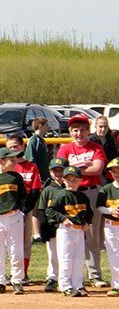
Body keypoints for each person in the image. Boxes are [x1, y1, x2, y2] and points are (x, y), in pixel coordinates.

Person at [56, 114, 108, 288]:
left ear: (88, 131)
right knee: (71, 232)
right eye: (75, 130)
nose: (79, 133)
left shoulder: (95, 147)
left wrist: (74, 171)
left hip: (91, 192)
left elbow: (97, 168)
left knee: (92, 234)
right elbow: (61, 170)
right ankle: (71, 276)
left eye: (83, 130)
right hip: (71, 194)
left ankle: (95, 275)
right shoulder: (65, 148)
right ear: (71, 132)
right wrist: (83, 167)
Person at [0, 148, 30, 294]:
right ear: (1, 161)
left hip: (14, 216)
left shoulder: (16, 177)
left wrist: (20, 210)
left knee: (16, 250)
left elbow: (23, 196)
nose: (15, 162)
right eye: (11, 160)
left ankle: (17, 280)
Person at [46, 166, 92, 297]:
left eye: (74, 179)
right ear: (64, 181)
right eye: (68, 179)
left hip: (79, 231)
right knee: (66, 257)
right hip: (65, 230)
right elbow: (50, 210)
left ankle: (78, 284)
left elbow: (89, 212)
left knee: (78, 258)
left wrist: (87, 222)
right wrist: (63, 218)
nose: (71, 182)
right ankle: (65, 285)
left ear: (80, 180)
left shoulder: (82, 196)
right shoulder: (61, 194)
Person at [5, 133, 42, 278]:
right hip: (9, 209)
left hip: (25, 209)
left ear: (23, 146)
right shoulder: (7, 167)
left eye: (16, 146)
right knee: (9, 243)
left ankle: (23, 273)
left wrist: (25, 210)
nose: (13, 149)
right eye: (10, 147)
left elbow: (35, 191)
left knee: (25, 242)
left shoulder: (31, 167)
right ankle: (12, 272)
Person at [37, 159, 69, 293]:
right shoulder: (48, 189)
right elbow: (41, 211)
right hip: (52, 227)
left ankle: (67, 278)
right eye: (55, 170)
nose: (58, 173)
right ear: (50, 172)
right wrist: (42, 229)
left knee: (67, 255)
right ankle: (52, 278)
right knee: (53, 254)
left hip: (69, 228)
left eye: (61, 170)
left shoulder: (71, 188)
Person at [96, 159, 119, 296]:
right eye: (114, 171)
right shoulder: (106, 189)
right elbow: (99, 207)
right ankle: (116, 285)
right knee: (114, 255)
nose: (117, 174)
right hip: (111, 226)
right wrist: (110, 210)